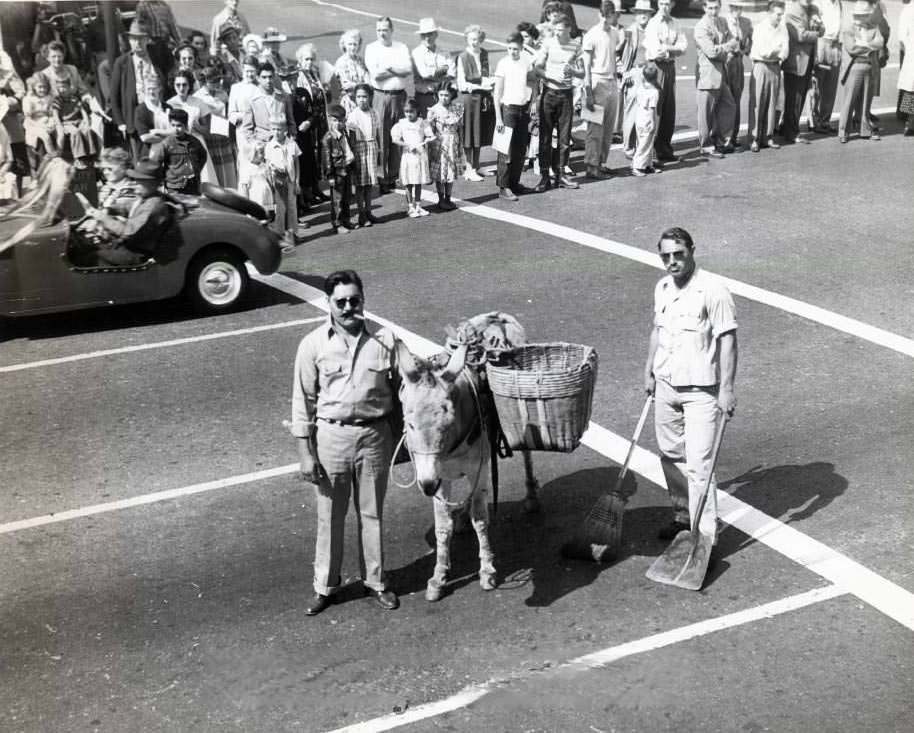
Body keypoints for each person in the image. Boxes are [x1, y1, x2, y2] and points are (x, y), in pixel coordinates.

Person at [291, 269, 401, 615]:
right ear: (329, 303)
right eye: (341, 302)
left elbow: (404, 390)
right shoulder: (313, 344)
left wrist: (401, 440)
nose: (349, 307)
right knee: (330, 516)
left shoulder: (386, 340)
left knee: (373, 514)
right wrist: (305, 453)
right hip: (332, 438)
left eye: (355, 300)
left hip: (375, 437)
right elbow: (302, 402)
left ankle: (376, 581)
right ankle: (325, 586)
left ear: (363, 300)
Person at [644, 227, 737, 545]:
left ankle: (704, 537)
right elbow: (657, 331)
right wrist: (648, 370)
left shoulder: (713, 290)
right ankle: (683, 517)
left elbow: (728, 340)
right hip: (666, 384)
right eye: (666, 256)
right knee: (671, 455)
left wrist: (727, 389)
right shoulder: (662, 288)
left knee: (699, 465)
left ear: (692, 251)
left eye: (678, 254)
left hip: (701, 391)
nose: (672, 261)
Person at [82, 160, 177, 266]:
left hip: (137, 253)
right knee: (87, 246)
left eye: (140, 181)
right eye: (135, 179)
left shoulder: (153, 205)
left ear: (154, 183)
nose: (135, 183)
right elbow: (130, 208)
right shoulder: (147, 197)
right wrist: (109, 209)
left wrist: (102, 217)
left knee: (90, 258)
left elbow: (128, 232)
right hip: (130, 245)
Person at [533, 13, 583, 191]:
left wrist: (573, 71)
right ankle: (544, 177)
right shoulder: (548, 43)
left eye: (561, 30)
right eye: (555, 30)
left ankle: (561, 175)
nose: (557, 33)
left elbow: (582, 72)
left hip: (566, 95)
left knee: (564, 139)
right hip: (549, 93)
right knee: (545, 138)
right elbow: (537, 68)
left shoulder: (576, 45)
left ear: (569, 29)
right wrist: (551, 76)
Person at [365, 17, 413, 194]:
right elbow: (376, 75)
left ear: (392, 30)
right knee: (382, 137)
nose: (381, 33)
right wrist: (396, 70)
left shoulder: (401, 47)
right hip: (381, 96)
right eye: (378, 30)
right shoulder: (371, 48)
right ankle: (382, 177)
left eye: (385, 30)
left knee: (398, 135)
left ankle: (394, 175)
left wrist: (388, 68)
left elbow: (407, 70)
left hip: (400, 96)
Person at [109, 21, 166, 162]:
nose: (138, 43)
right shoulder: (121, 63)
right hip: (135, 118)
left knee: (163, 157)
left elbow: (166, 84)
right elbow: (114, 96)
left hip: (159, 117)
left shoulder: (157, 58)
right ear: (129, 40)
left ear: (147, 39)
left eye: (141, 38)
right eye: (134, 39)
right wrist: (121, 122)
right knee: (141, 161)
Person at [581, 1, 624, 180]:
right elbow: (586, 65)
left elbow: (614, 57)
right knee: (595, 128)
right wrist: (588, 91)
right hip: (596, 81)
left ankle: (600, 163)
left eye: (609, 16)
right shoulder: (591, 34)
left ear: (614, 15)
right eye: (603, 16)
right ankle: (591, 167)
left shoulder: (615, 33)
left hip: (611, 82)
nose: (606, 19)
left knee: (608, 128)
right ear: (599, 14)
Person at [643, 0, 687, 164]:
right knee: (656, 108)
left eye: (667, 4)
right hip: (656, 67)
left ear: (673, 4)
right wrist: (673, 48)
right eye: (661, 3)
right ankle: (652, 152)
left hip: (670, 68)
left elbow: (684, 46)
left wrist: (667, 47)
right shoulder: (653, 24)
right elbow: (656, 51)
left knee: (669, 108)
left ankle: (665, 149)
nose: (664, 7)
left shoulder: (676, 23)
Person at [694, 0, 739, 159]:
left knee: (728, 105)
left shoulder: (722, 21)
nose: (713, 11)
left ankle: (721, 141)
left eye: (716, 8)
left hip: (722, 73)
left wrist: (725, 47)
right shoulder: (701, 26)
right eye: (710, 8)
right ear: (704, 8)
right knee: (706, 113)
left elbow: (735, 41)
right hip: (708, 74)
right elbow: (711, 52)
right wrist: (727, 48)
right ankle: (706, 146)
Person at [493, 32, 535, 201]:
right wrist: (498, 118)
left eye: (516, 49)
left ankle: (514, 183)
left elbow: (532, 82)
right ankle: (503, 187)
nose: (512, 52)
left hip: (523, 109)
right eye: (509, 48)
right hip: (508, 110)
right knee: (505, 150)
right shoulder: (503, 64)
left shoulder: (526, 61)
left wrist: (533, 102)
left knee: (520, 149)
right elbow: (497, 93)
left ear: (522, 47)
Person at [838, 1, 885, 143]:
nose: (860, 18)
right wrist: (871, 47)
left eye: (863, 15)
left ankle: (864, 129)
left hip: (869, 66)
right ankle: (843, 132)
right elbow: (852, 48)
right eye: (858, 15)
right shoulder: (849, 28)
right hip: (855, 66)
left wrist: (864, 45)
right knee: (849, 100)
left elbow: (880, 42)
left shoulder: (873, 27)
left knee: (866, 101)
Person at [748, 1, 789, 152]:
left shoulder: (783, 28)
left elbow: (785, 51)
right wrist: (777, 49)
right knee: (758, 102)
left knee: (772, 102)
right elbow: (763, 52)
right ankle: (754, 138)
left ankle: (768, 136)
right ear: (770, 13)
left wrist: (777, 51)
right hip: (761, 66)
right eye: (778, 14)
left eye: (781, 15)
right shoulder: (760, 28)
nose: (780, 17)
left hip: (775, 66)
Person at [456, 25, 496, 184]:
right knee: (469, 133)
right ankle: (468, 168)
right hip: (470, 98)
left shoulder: (484, 53)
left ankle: (477, 165)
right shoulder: (463, 57)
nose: (475, 42)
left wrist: (490, 82)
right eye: (472, 39)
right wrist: (480, 86)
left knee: (479, 132)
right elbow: (461, 84)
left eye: (477, 39)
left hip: (483, 98)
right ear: (467, 39)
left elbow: (486, 75)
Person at [292, 44, 330, 208]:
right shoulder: (299, 76)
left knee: (318, 156)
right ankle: (307, 191)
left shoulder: (314, 74)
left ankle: (316, 188)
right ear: (300, 60)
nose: (309, 62)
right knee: (308, 156)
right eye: (306, 59)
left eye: (311, 59)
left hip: (320, 120)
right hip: (308, 121)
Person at [166, 70, 218, 185]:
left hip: (197, 144)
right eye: (178, 85)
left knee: (203, 181)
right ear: (173, 85)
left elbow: (207, 130)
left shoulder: (198, 102)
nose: (181, 88)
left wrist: (195, 126)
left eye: (184, 84)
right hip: (177, 146)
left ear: (189, 85)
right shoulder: (169, 104)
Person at [781, 0, 821, 144]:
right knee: (794, 99)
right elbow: (800, 35)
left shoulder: (812, 9)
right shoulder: (793, 11)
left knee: (800, 97)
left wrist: (819, 27)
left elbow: (822, 27)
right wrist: (817, 33)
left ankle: (787, 128)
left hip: (806, 61)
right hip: (796, 62)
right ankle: (791, 133)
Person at [194, 65, 237, 189]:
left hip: (223, 135)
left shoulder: (223, 93)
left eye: (218, 80)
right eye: (213, 81)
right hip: (209, 137)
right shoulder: (198, 97)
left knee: (228, 169)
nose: (217, 83)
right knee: (214, 170)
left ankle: (230, 192)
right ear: (205, 82)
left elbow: (228, 113)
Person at [390, 98, 435, 217]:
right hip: (408, 156)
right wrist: (408, 145)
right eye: (406, 111)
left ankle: (418, 206)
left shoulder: (422, 122)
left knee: (418, 182)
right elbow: (395, 139)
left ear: (417, 111)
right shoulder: (402, 123)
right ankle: (410, 207)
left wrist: (426, 140)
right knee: (408, 182)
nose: (409, 114)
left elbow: (429, 135)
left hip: (420, 155)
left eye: (411, 111)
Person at [620, 0, 653, 160]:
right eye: (640, 12)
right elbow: (617, 53)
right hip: (635, 72)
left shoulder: (652, 30)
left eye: (646, 12)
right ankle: (628, 148)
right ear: (635, 14)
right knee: (631, 112)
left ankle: (643, 148)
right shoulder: (629, 32)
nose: (643, 15)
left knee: (647, 113)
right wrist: (624, 72)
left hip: (650, 74)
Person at [150, 107, 208, 195]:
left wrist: (196, 170)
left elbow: (203, 156)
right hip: (174, 188)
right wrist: (166, 178)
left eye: (179, 126)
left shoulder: (194, 142)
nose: (176, 129)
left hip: (193, 185)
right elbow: (155, 163)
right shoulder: (166, 144)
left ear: (186, 126)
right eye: (173, 125)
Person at [264, 113, 301, 249]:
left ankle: (292, 233)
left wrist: (297, 182)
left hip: (290, 180)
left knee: (292, 207)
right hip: (278, 181)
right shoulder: (270, 146)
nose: (276, 132)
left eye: (279, 129)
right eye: (273, 129)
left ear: (285, 129)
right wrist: (270, 181)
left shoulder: (291, 144)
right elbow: (267, 166)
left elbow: (296, 163)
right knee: (280, 208)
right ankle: (281, 234)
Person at [347, 84, 381, 228]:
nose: (361, 99)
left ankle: (368, 211)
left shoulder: (374, 113)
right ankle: (361, 214)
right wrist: (353, 154)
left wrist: (378, 150)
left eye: (364, 96)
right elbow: (351, 137)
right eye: (359, 97)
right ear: (355, 98)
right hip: (359, 149)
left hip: (371, 147)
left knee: (369, 184)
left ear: (370, 97)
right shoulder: (353, 115)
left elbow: (377, 133)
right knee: (360, 185)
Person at [426, 82, 464, 210]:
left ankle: (448, 198)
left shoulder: (456, 109)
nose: (444, 98)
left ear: (452, 95)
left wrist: (460, 144)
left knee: (450, 172)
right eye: (441, 95)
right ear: (437, 95)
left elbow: (460, 128)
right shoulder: (433, 110)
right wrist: (431, 146)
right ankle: (441, 199)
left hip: (453, 143)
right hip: (440, 144)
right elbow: (429, 130)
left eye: (447, 95)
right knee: (440, 172)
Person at [241, 62, 295, 150]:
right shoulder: (251, 100)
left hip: (283, 146)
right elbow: (247, 129)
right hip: (262, 146)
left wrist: (291, 140)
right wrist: (255, 144)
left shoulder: (284, 97)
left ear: (274, 77)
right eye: (264, 77)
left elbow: (291, 122)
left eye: (270, 77)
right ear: (258, 78)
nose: (268, 81)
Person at [321, 105, 356, 234]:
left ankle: (346, 220)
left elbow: (349, 149)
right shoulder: (328, 138)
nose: (337, 123)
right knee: (337, 200)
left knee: (346, 198)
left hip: (346, 168)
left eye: (340, 120)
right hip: (337, 172)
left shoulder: (345, 134)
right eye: (334, 120)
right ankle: (337, 223)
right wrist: (330, 176)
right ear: (330, 120)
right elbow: (327, 160)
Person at [810, 0, 843, 133]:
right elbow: (813, 25)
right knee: (817, 85)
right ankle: (814, 120)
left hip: (836, 44)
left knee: (831, 86)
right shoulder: (819, 3)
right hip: (821, 43)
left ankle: (825, 120)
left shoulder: (839, 3)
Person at [411, 18, 454, 119]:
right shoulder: (417, 53)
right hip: (425, 97)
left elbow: (452, 73)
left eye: (430, 34)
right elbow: (425, 74)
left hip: (444, 98)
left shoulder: (444, 52)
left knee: (445, 125)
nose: (427, 38)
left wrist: (435, 74)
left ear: (436, 34)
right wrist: (444, 70)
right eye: (423, 35)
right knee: (427, 126)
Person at [724, 2, 752, 148]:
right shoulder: (722, 21)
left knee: (736, 99)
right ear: (729, 8)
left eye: (740, 7)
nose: (737, 10)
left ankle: (733, 136)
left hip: (738, 62)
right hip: (725, 62)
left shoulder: (746, 22)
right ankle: (723, 137)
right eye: (734, 7)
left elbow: (751, 42)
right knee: (724, 99)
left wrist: (745, 50)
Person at [52, 75, 97, 167]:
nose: (62, 90)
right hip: (66, 123)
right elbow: (55, 115)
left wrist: (86, 121)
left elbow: (82, 110)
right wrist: (59, 126)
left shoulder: (74, 98)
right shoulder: (57, 100)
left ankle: (91, 155)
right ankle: (79, 157)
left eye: (64, 87)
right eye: (59, 88)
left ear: (69, 87)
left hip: (77, 121)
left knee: (87, 130)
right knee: (75, 132)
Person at [22, 72, 57, 175]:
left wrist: (51, 122)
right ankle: (52, 155)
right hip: (33, 124)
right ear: (34, 87)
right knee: (44, 136)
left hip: (47, 121)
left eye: (45, 87)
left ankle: (55, 160)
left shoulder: (49, 98)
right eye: (40, 87)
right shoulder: (28, 99)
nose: (42, 90)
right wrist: (40, 125)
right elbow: (28, 117)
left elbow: (51, 114)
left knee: (56, 132)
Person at [136, 0, 182, 75]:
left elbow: (172, 25)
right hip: (151, 44)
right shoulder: (142, 5)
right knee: (157, 71)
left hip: (165, 43)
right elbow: (140, 26)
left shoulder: (164, 5)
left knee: (170, 68)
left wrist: (180, 43)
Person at [631, 62, 660, 175]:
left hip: (639, 119)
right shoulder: (654, 92)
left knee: (642, 142)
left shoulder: (640, 89)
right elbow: (652, 109)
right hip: (648, 120)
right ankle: (637, 166)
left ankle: (647, 164)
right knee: (645, 144)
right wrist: (653, 123)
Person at [334, 30, 371, 114]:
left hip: (363, 101)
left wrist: (364, 85)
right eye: (350, 44)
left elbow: (368, 80)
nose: (353, 47)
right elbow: (346, 85)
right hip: (349, 103)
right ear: (344, 45)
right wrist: (362, 85)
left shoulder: (361, 60)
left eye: (355, 44)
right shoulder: (341, 62)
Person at [260, 27, 297, 92]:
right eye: (272, 43)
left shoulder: (281, 57)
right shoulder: (263, 59)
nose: (275, 45)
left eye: (277, 42)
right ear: (266, 44)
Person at [899, 0, 914, 136]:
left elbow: (901, 37)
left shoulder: (907, 9)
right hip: (911, 53)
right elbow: (902, 37)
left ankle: (909, 123)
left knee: (910, 89)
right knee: (910, 89)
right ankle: (909, 123)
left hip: (910, 53)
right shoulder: (909, 9)